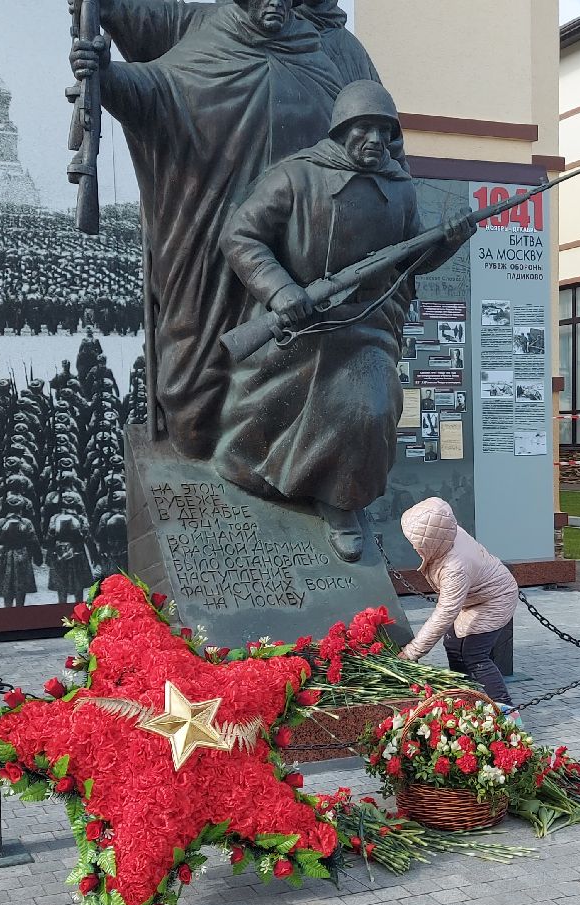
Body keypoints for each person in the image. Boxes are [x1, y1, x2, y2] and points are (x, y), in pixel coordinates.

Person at [71, 0, 379, 459]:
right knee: (196, 410)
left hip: (295, 248)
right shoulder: (207, 32)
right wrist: (105, 74)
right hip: (209, 235)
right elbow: (160, 90)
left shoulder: (320, 54)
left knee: (297, 377)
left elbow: (359, 141)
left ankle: (284, 466)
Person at [214, 81, 473, 558]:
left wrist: (450, 240)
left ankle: (342, 503)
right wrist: (282, 290)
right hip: (302, 324)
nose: (374, 140)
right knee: (258, 414)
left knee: (368, 410)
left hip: (366, 326)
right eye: (363, 128)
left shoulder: (400, 189)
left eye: (383, 130)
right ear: (341, 130)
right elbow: (241, 236)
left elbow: (409, 263)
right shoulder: (294, 177)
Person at [398, 497, 519, 705]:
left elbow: (445, 612)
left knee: (474, 655)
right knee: (453, 645)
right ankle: (466, 700)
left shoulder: (455, 567)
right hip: (478, 597)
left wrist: (411, 652)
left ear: (431, 542)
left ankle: (506, 710)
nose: (414, 548)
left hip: (496, 599)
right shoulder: (446, 533)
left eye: (418, 544)